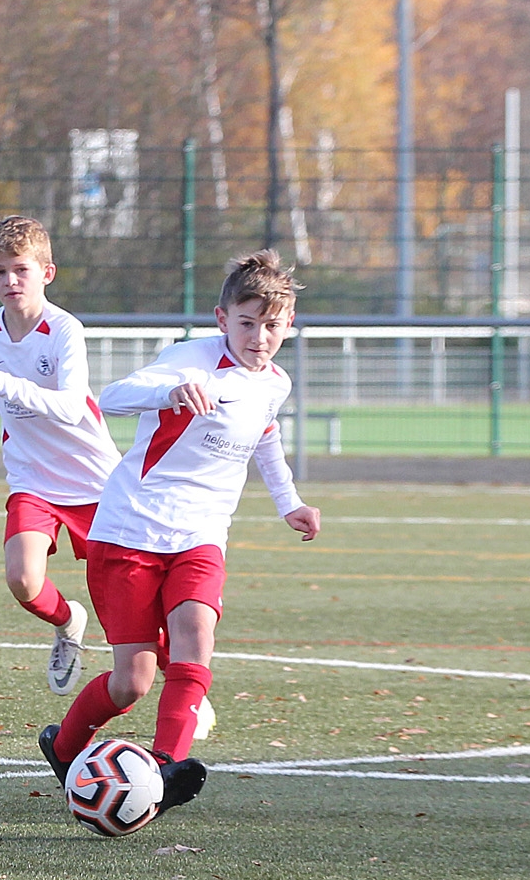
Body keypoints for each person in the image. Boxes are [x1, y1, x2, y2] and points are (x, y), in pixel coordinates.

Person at [38, 249, 321, 815]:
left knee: (195, 636)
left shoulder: (275, 383)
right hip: (129, 534)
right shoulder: (189, 361)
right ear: (222, 319)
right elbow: (111, 398)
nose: (259, 338)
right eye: (247, 323)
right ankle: (63, 747)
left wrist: (289, 502)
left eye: (272, 326)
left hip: (201, 536)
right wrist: (167, 394)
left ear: (289, 325)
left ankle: (165, 770)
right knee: (133, 682)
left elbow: (264, 437)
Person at [0, 216, 121, 694]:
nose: (11, 280)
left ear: (47, 273)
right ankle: (68, 623)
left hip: (94, 480)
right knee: (23, 580)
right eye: (0, 271)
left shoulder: (64, 329)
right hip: (33, 478)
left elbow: (71, 407)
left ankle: (181, 686)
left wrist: (3, 383)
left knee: (121, 601)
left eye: (21, 269)